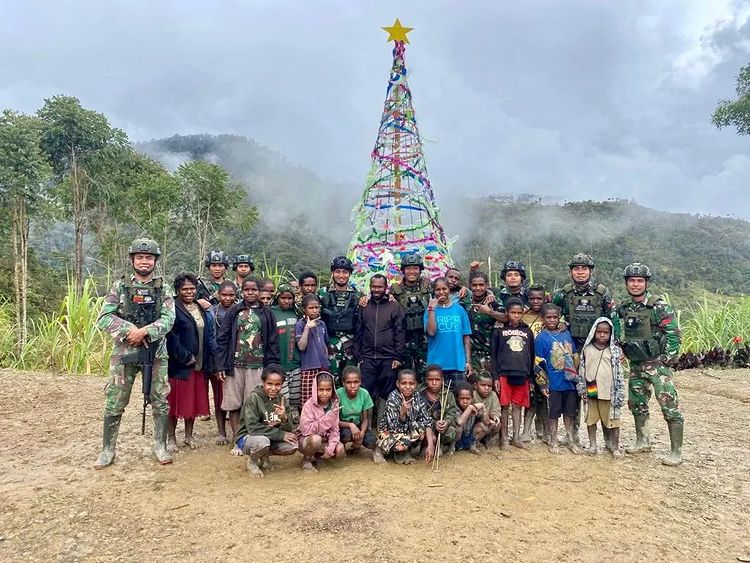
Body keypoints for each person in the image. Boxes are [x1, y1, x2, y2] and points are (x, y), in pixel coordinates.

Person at [94, 238, 176, 469]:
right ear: (132, 260)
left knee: (160, 400)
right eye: (139, 257)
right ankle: (107, 450)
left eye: (148, 257)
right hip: (125, 352)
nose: (144, 261)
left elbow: (169, 319)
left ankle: (160, 446)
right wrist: (130, 331)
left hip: (155, 353)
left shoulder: (163, 288)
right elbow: (104, 317)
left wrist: (145, 332)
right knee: (115, 400)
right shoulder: (119, 287)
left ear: (155, 261)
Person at [614, 263, 684, 466]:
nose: (635, 284)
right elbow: (616, 327)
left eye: (639, 281)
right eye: (632, 281)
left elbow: (673, 333)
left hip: (657, 364)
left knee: (668, 405)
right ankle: (643, 441)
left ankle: (676, 452)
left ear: (646, 283)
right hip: (636, 364)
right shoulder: (625, 308)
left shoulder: (658, 307)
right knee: (637, 404)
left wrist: (667, 359)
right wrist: (619, 346)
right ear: (626, 283)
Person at [552, 254, 616, 447]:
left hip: (596, 351)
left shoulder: (601, 293)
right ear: (571, 271)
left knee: (598, 391)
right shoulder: (564, 293)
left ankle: (605, 440)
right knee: (573, 392)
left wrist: (615, 346)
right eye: (576, 269)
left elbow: (612, 318)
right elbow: (552, 313)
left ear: (591, 271)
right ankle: (573, 434)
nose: (580, 272)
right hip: (572, 350)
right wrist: (560, 322)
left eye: (584, 269)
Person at [214, 277, 280, 455]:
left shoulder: (266, 313)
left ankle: (252, 438)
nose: (250, 293)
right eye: (247, 290)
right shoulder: (234, 311)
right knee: (234, 404)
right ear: (242, 291)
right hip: (234, 366)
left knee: (252, 404)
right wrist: (220, 365)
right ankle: (238, 441)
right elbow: (223, 338)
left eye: (254, 289)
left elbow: (273, 342)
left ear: (260, 291)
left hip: (258, 366)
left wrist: (272, 367)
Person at [165, 273, 214, 452]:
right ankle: (171, 438)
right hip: (180, 364)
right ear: (178, 290)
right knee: (175, 402)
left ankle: (188, 436)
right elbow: (171, 336)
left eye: (192, 288)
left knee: (192, 402)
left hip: (199, 363)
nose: (189, 292)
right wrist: (185, 356)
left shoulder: (199, 307)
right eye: (185, 289)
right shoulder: (172, 308)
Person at [235, 365, 298, 477]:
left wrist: (284, 418)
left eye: (277, 384)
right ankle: (252, 461)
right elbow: (252, 428)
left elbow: (288, 430)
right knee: (263, 442)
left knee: (293, 445)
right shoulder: (254, 398)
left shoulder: (282, 399)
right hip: (247, 438)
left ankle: (264, 457)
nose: (273, 388)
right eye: (270, 384)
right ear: (263, 382)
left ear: (282, 385)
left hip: (268, 437)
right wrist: (280, 434)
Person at [534, 304, 580, 454]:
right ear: (543, 318)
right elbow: (538, 363)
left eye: (555, 317)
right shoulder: (541, 338)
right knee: (553, 414)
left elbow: (574, 355)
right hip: (553, 384)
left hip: (569, 383)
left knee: (569, 413)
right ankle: (553, 441)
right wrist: (542, 384)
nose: (552, 320)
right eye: (549, 317)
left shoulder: (566, 334)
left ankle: (570, 440)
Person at [352, 274, 405, 405]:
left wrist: (398, 357)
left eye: (380, 287)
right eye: (373, 287)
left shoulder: (394, 306)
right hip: (367, 358)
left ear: (386, 287)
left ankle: (384, 423)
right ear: (369, 287)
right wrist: (358, 355)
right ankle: (368, 424)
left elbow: (400, 332)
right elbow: (358, 331)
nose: (376, 290)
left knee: (387, 394)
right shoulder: (363, 305)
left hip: (388, 358)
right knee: (366, 392)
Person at [576, 318, 625, 458]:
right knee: (591, 419)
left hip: (609, 391)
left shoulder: (615, 351)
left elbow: (620, 373)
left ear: (611, 334)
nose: (602, 335)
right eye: (599, 332)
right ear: (594, 332)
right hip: (591, 389)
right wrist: (581, 387)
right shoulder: (587, 349)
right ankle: (593, 445)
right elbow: (582, 370)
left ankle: (614, 447)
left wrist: (620, 392)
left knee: (613, 420)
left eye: (606, 332)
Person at [491, 297, 535, 451]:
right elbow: (494, 355)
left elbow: (531, 354)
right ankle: (504, 438)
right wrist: (495, 376)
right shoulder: (499, 331)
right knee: (504, 406)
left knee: (518, 406)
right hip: (504, 373)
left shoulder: (527, 331)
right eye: (513, 313)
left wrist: (530, 378)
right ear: (507, 313)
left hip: (522, 374)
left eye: (519, 313)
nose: (516, 316)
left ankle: (516, 437)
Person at [375, 369, 435, 464]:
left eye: (411, 383)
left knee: (423, 430)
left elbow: (427, 421)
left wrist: (430, 445)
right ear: (398, 384)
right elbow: (393, 428)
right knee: (404, 442)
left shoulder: (417, 396)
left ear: (415, 384)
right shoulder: (392, 398)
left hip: (407, 431)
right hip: (391, 432)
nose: (407, 387)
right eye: (404, 383)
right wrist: (402, 412)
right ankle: (390, 451)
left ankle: (404, 450)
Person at [320, 256, 362, 378]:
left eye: (345, 272)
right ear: (332, 273)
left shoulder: (358, 294)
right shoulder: (322, 293)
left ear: (350, 274)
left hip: (350, 345)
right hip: (329, 345)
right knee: (330, 380)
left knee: (350, 380)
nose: (341, 275)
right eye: (338, 271)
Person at [425, 277, 472, 385]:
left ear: (449, 290)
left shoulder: (459, 310)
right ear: (434, 291)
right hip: (436, 366)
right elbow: (431, 332)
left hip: (457, 364)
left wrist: (468, 361)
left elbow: (466, 337)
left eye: (444, 289)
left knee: (459, 399)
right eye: (438, 289)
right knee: (438, 400)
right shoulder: (429, 310)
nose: (441, 292)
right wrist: (432, 310)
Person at [390, 253, 431, 377]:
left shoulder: (429, 286)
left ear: (420, 270)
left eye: (415, 268)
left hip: (424, 339)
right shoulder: (395, 289)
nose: (412, 271)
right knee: (404, 375)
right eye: (408, 268)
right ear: (403, 270)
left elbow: (447, 291)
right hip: (403, 339)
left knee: (425, 375)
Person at [298, 371, 345, 472]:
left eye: (328, 390)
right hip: (307, 441)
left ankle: (319, 457)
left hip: (325, 440)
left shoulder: (334, 405)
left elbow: (335, 430)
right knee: (316, 439)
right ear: (315, 389)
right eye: (321, 390)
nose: (325, 393)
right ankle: (306, 460)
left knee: (340, 449)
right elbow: (306, 430)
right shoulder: (308, 405)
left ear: (333, 390)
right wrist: (329, 417)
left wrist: (331, 448)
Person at [207, 280, 236, 442]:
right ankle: (221, 431)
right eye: (224, 294)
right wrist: (218, 361)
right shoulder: (212, 312)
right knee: (219, 397)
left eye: (231, 295)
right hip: (217, 360)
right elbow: (210, 337)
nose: (227, 298)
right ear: (218, 295)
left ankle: (237, 432)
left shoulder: (240, 310)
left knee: (235, 398)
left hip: (235, 360)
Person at [520, 284, 547, 443]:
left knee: (544, 397)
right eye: (532, 299)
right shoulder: (523, 316)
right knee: (529, 397)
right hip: (528, 362)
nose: (536, 301)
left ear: (545, 299)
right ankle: (526, 430)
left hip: (544, 364)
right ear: (527, 299)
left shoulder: (550, 315)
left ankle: (542, 429)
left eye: (539, 298)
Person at [463, 272, 504, 374]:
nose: (478, 288)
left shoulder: (493, 301)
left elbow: (506, 318)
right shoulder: (464, 302)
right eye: (474, 285)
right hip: (469, 354)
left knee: (488, 386)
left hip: (489, 353)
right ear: (469, 286)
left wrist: (489, 312)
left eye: (481, 285)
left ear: (487, 285)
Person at [271, 284, 302, 415]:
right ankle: (283, 423)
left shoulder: (297, 313)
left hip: (296, 363)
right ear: (278, 297)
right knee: (283, 398)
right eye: (283, 297)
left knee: (295, 398)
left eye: (289, 298)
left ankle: (295, 423)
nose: (286, 301)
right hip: (279, 364)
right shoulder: (271, 312)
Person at [295, 293, 330, 408]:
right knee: (307, 401)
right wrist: (307, 328)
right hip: (308, 368)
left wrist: (326, 362)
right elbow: (301, 346)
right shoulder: (300, 324)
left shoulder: (322, 324)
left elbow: (324, 344)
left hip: (322, 367)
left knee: (322, 399)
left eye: (317, 307)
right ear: (304, 309)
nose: (314, 310)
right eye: (311, 308)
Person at [336, 366, 378, 455]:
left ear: (360, 382)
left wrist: (361, 434)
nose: (352, 386)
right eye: (348, 382)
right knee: (345, 435)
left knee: (371, 441)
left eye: (356, 382)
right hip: (343, 426)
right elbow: (335, 420)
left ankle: (356, 447)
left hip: (359, 424)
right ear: (343, 383)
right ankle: (341, 448)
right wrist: (350, 425)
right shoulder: (338, 394)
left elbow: (365, 419)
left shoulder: (364, 393)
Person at [419, 365, 459, 456]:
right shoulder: (419, 393)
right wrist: (433, 423)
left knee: (452, 432)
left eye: (437, 380)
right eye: (430, 380)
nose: (434, 383)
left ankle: (439, 445)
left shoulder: (448, 394)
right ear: (426, 380)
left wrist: (446, 422)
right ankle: (426, 444)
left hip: (440, 429)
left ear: (442, 380)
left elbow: (452, 412)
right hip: (425, 427)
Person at [472, 371, 501, 446]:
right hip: (474, 425)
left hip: (488, 421)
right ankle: (472, 442)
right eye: (483, 385)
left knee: (497, 425)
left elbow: (496, 410)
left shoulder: (493, 395)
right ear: (475, 385)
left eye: (489, 386)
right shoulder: (472, 395)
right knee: (482, 426)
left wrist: (495, 416)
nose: (486, 388)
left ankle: (485, 440)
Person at [454, 382, 482, 454]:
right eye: (462, 398)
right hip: (457, 439)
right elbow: (459, 422)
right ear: (457, 398)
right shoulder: (455, 407)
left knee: (485, 426)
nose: (465, 401)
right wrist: (469, 409)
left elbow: (487, 422)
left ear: (472, 398)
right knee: (458, 428)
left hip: (469, 436)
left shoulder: (474, 406)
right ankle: (452, 447)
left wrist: (483, 407)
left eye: (468, 398)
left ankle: (472, 445)